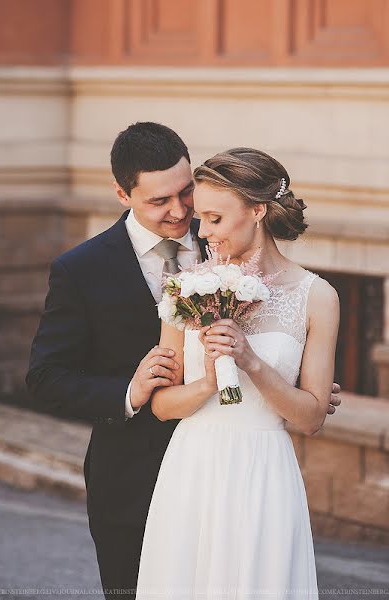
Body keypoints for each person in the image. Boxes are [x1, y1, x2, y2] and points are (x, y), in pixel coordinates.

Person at [26, 124, 341, 599]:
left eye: (186, 195)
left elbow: (300, 381)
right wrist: (131, 393)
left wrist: (288, 380)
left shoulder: (221, 228)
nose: (181, 213)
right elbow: (45, 377)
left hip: (254, 472)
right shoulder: (81, 269)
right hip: (139, 477)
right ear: (121, 193)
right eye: (159, 202)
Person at [135, 148, 340, 600]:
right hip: (192, 469)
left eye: (214, 219)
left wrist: (250, 362)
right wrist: (208, 381)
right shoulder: (185, 288)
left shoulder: (317, 297)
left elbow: (310, 418)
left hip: (265, 474)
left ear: (258, 211)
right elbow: (163, 406)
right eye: (201, 219)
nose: (202, 232)